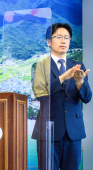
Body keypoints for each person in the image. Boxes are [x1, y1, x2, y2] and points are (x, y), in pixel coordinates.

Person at [32, 23, 92, 170]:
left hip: (74, 132)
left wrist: (79, 84)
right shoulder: (39, 66)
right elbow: (40, 95)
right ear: (48, 42)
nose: (63, 41)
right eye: (58, 37)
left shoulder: (79, 66)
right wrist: (62, 77)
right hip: (48, 131)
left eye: (66, 37)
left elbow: (87, 97)